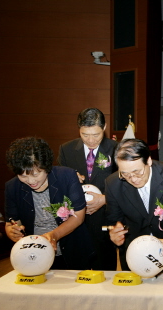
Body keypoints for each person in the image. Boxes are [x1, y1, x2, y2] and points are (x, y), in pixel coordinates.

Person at [5, 137, 94, 270]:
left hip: (72, 249)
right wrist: (11, 231)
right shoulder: (12, 187)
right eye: (23, 176)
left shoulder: (67, 176)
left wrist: (54, 235)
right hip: (35, 254)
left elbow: (78, 215)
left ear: (46, 166)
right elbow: (11, 222)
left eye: (36, 174)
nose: (30, 181)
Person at [106, 139, 163, 272]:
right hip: (135, 257)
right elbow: (114, 221)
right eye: (125, 174)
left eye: (137, 172)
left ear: (148, 161)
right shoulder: (112, 183)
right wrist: (115, 233)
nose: (133, 179)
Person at [58, 107, 118, 270]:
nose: (91, 140)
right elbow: (58, 183)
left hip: (105, 220)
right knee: (77, 270)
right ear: (79, 129)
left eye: (96, 135)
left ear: (104, 128)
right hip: (76, 222)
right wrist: (68, 178)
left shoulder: (116, 149)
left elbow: (126, 184)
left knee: (104, 268)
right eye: (85, 135)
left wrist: (105, 199)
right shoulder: (67, 149)